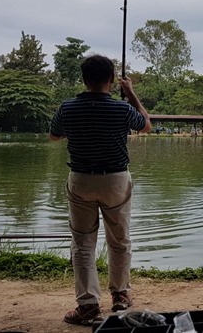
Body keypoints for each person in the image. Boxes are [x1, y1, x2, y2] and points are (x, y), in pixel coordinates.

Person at [49, 54, 152, 325]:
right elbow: (146, 125)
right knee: (119, 239)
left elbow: (54, 135)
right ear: (111, 79)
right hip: (116, 179)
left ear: (83, 80)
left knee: (83, 244)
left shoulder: (67, 108)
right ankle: (120, 295)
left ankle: (88, 306)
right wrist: (130, 94)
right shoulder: (121, 109)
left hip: (81, 178)